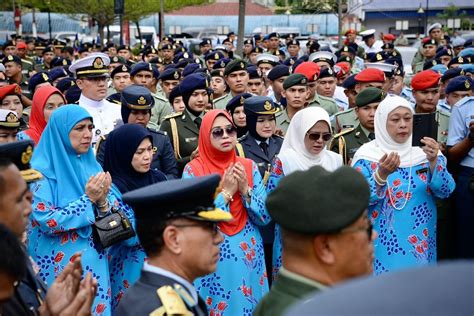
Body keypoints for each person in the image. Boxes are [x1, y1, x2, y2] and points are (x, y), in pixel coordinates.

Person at [28, 105, 144, 315]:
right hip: (58, 269)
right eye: (79, 128)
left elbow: (112, 215)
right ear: (61, 132)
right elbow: (46, 219)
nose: (87, 134)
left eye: (90, 127)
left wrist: (102, 204)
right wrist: (87, 200)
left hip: (96, 265)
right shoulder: (40, 173)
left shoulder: (93, 167)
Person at [352, 95, 455, 274]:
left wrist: (433, 162)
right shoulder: (368, 156)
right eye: (395, 119)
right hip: (381, 242)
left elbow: (446, 190)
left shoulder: (426, 152)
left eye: (408, 119)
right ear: (382, 122)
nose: (403, 125)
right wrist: (380, 176)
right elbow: (356, 200)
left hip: (420, 244)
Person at [254, 165, 375, 316]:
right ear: (325, 247)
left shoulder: (281, 304)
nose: (374, 235)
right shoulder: (314, 310)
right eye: (366, 228)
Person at [182, 109, 270, 315]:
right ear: (205, 136)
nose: (226, 136)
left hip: (248, 251)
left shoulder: (247, 166)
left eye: (230, 130)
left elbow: (265, 216)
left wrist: (246, 190)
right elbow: (194, 219)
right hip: (212, 252)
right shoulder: (193, 170)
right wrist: (227, 194)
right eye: (217, 132)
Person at [0, 140, 97, 315]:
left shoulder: (14, 251)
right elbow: (48, 219)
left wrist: (48, 311)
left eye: (29, 198)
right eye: (20, 199)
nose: (29, 209)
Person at [115, 175, 231, 315]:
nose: (220, 238)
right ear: (173, 239)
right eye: (210, 228)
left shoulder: (167, 297)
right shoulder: (162, 310)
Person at [268, 106, 343, 276]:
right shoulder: (285, 161)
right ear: (301, 132)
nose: (320, 141)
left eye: (326, 136)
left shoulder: (335, 159)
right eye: (314, 135)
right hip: (294, 238)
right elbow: (273, 202)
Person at [96, 84, 178, 179]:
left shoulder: (161, 139)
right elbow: (102, 175)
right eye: (134, 113)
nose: (140, 118)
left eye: (145, 113)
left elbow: (172, 174)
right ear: (125, 113)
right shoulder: (108, 141)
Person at [160, 73, 210, 174]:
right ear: (186, 97)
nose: (201, 99)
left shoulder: (215, 119)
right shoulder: (171, 124)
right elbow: (164, 163)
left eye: (204, 94)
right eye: (195, 95)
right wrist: (190, 159)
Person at [69, 53, 122, 147]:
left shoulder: (119, 108)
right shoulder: (71, 113)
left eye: (104, 78)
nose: (102, 84)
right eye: (94, 79)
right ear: (79, 83)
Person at [103, 124, 167, 194]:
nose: (147, 157)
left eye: (149, 149)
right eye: (139, 152)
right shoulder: (112, 189)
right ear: (124, 155)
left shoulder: (158, 178)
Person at [447, 96, 474, 258]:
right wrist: (471, 138)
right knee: (467, 240)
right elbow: (453, 155)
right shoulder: (463, 107)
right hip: (470, 177)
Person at [330, 87, 385, 164]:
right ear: (357, 111)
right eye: (366, 108)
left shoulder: (393, 138)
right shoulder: (344, 141)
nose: (372, 114)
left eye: (377, 108)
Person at [411, 70, 450, 146]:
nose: (430, 98)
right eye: (424, 92)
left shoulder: (449, 119)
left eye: (435, 92)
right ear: (413, 93)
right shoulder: (405, 117)